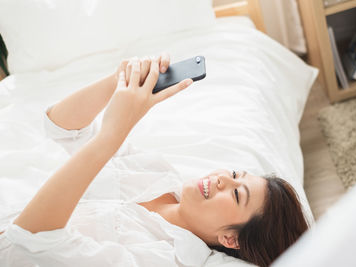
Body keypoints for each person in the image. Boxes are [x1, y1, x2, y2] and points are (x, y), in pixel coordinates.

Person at [0, 54, 308, 267]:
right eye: (235, 174)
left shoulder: (159, 257)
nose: (223, 180)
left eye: (237, 194)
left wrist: (111, 136)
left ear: (229, 239)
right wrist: (120, 81)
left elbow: (30, 236)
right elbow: (61, 126)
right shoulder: (160, 177)